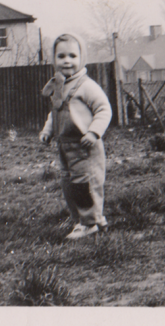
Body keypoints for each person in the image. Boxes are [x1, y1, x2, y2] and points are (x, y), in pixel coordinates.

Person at [39, 33, 112, 240]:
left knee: (85, 184)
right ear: (54, 59)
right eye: (61, 56)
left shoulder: (87, 86)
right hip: (65, 146)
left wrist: (94, 132)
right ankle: (86, 219)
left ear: (82, 58)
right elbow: (56, 112)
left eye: (73, 55)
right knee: (69, 185)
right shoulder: (60, 86)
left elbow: (104, 109)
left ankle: (89, 223)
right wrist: (47, 131)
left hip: (84, 146)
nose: (67, 61)